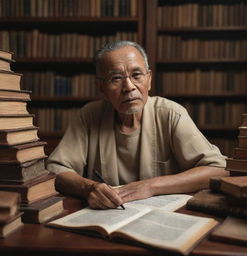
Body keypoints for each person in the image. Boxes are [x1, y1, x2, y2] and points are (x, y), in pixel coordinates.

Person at [46, 40, 227, 209]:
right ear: (101, 88)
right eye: (116, 78)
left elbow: (218, 169)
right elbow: (55, 169)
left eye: (136, 75)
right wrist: (89, 187)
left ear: (149, 79)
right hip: (107, 216)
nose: (129, 87)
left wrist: (152, 186)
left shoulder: (171, 114)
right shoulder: (89, 116)